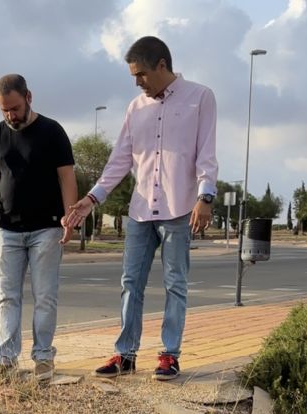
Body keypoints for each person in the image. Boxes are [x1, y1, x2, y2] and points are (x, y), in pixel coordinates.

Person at [65, 36, 218, 381]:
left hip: (180, 208)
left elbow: (206, 153)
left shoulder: (200, 97)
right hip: (140, 210)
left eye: (141, 74)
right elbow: (120, 159)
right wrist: (92, 198)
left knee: (175, 283)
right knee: (130, 282)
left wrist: (205, 197)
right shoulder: (136, 107)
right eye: (134, 76)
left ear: (162, 65)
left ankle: (169, 355)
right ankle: (125, 354)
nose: (137, 82)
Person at [0, 74, 77, 382]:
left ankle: (43, 358)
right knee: (7, 296)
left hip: (47, 229)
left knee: (45, 296)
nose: (10, 115)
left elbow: (67, 177)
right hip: (8, 229)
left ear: (28, 97)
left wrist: (70, 217)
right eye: (4, 110)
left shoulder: (52, 131)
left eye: (14, 108)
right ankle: (5, 361)